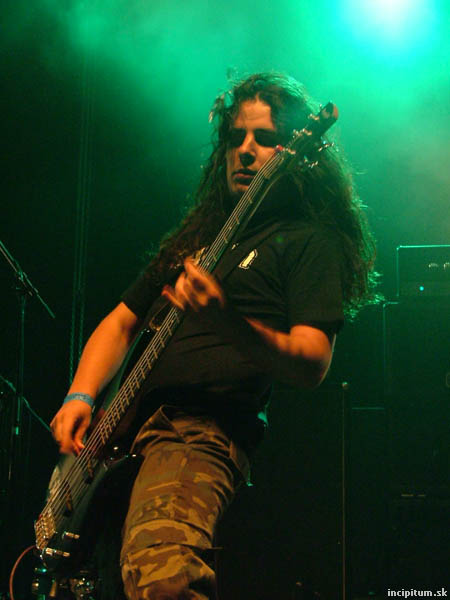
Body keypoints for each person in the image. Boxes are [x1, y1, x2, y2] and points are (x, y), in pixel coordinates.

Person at [50, 72, 377, 599]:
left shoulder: (308, 241)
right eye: (235, 137)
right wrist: (81, 395)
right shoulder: (200, 239)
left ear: (297, 154)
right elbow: (121, 321)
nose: (245, 150)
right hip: (122, 439)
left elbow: (313, 362)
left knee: (163, 576)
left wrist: (227, 320)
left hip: (198, 431)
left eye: (264, 138)